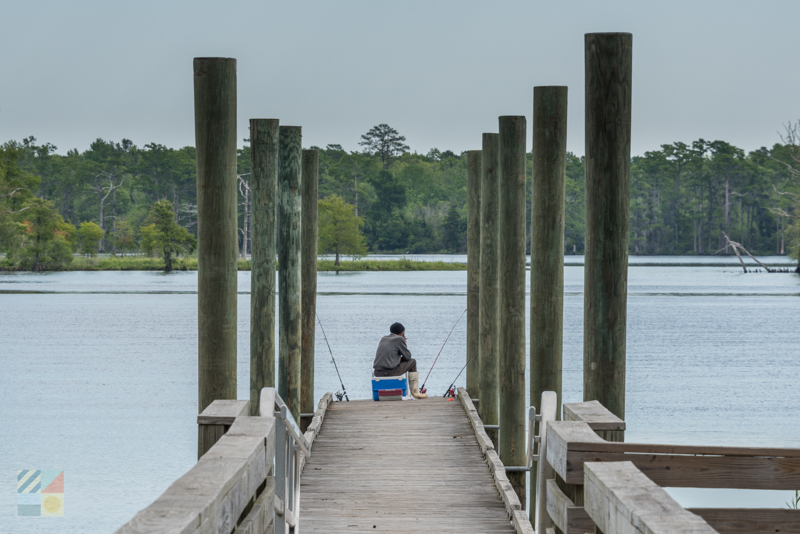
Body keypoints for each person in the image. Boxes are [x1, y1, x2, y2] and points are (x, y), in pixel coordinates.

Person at [372, 322, 427, 399]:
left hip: (377, 372)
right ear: (402, 332)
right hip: (389, 372)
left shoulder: (383, 338)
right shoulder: (399, 339)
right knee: (413, 362)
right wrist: (403, 343)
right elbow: (408, 357)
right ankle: (415, 392)